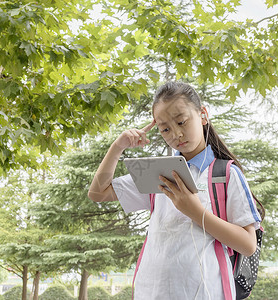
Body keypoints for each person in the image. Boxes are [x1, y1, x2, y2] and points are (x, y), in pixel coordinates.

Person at [88, 82, 261, 300]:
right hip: (150, 292)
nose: (177, 134)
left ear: (203, 115)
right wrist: (118, 146)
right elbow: (98, 192)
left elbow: (248, 245)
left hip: (206, 293)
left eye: (181, 121)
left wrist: (196, 213)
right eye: (165, 129)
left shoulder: (225, 174)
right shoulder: (157, 172)